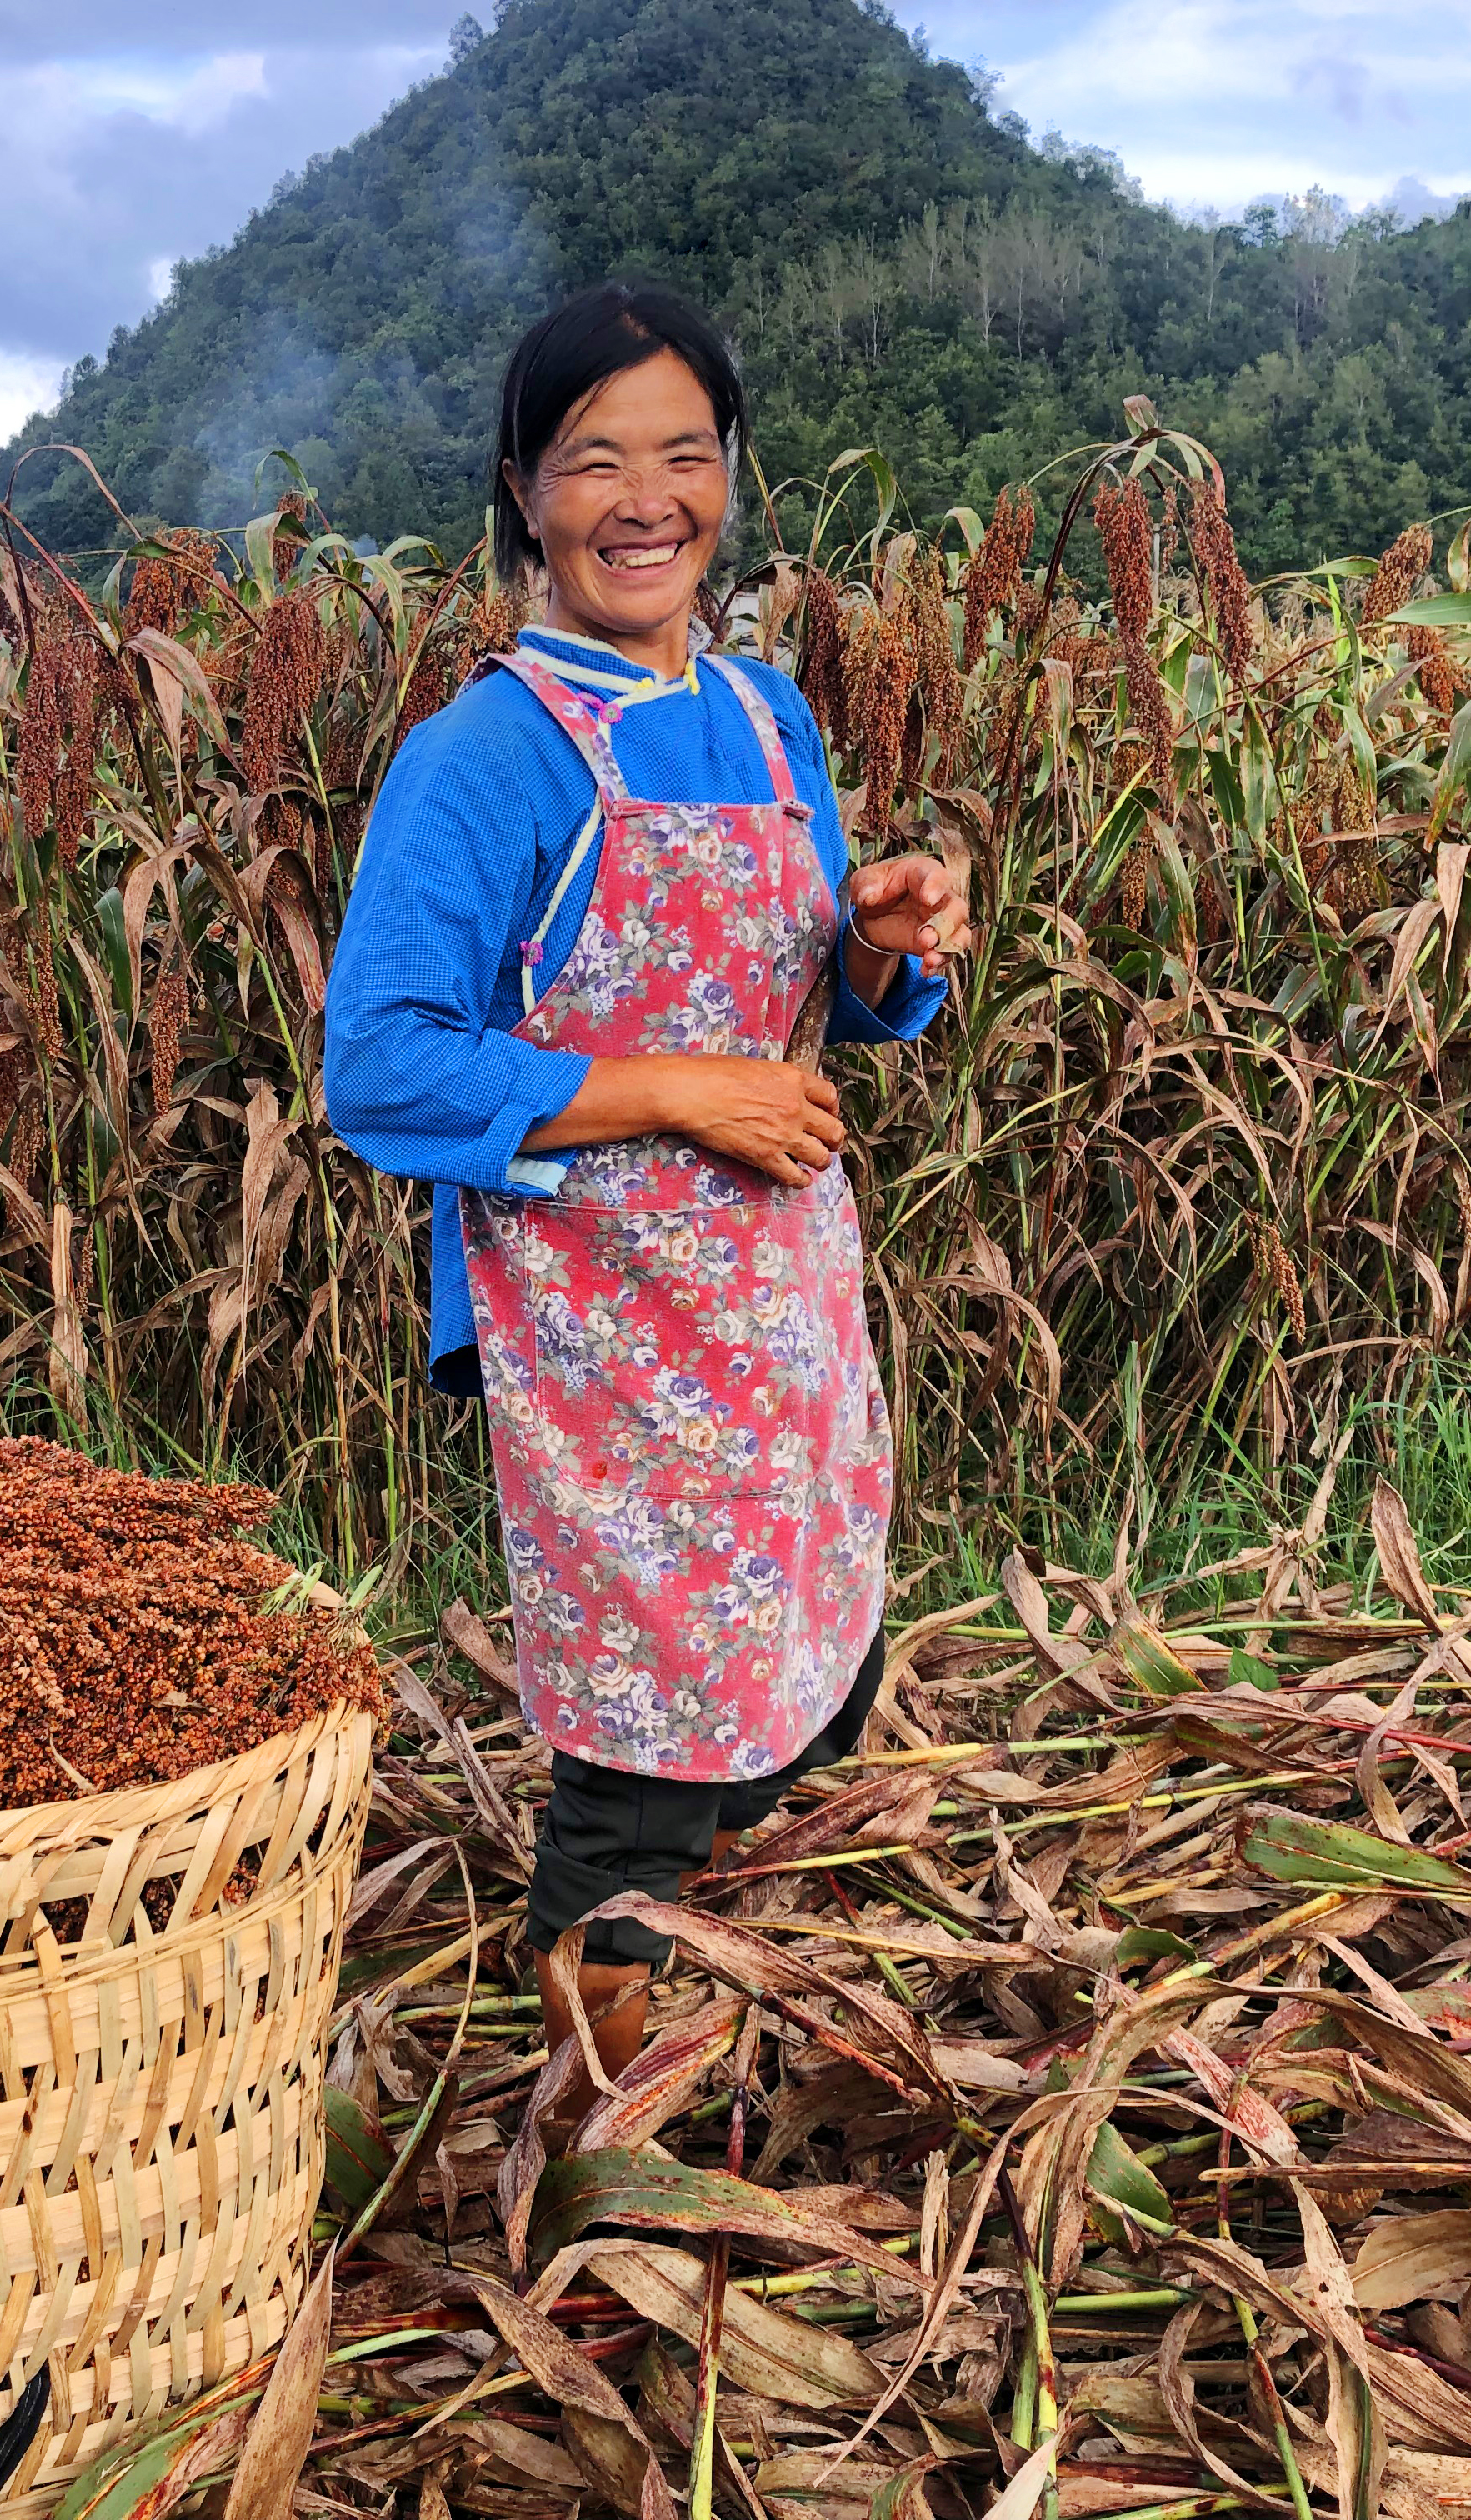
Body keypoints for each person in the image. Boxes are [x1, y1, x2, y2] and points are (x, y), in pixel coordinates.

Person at [322, 279, 972, 2092]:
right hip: (608, 1325)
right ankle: (599, 2105)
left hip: (780, 1298)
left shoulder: (770, 719)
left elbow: (830, 993)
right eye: (595, 458)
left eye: (685, 454)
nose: (645, 499)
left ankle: (719, 1987)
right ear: (523, 490)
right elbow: (377, 1061)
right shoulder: (485, 758)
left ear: (729, 478)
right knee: (641, 1734)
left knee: (807, 1658)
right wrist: (679, 1089)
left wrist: (893, 946)